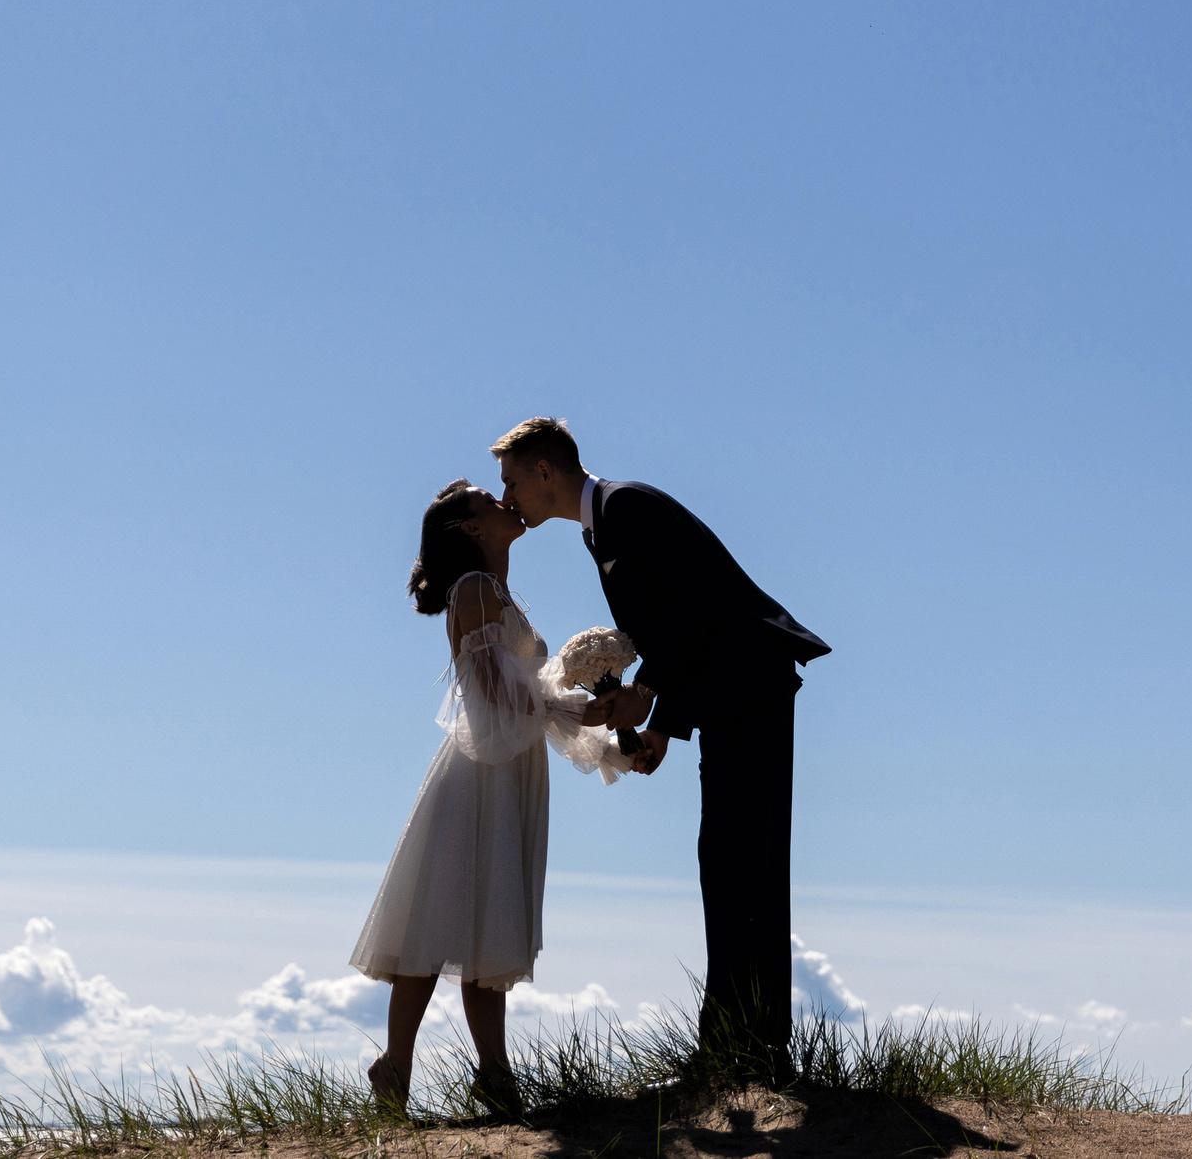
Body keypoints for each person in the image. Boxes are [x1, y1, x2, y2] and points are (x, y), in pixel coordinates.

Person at [491, 418, 830, 1076]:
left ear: (543, 472)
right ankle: (742, 1041)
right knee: (727, 858)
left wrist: (648, 694)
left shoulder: (627, 506)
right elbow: (680, 623)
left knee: (745, 858)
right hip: (728, 694)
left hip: (751, 686)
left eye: (511, 481)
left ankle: (749, 1046)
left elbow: (699, 608)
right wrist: (663, 723)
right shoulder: (601, 527)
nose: (508, 497)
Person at [348, 479, 624, 1113]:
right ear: (471, 528)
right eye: (487, 500)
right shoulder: (472, 591)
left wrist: (603, 739)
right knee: (443, 916)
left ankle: (490, 1073)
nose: (505, 503)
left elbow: (529, 698)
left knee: (487, 924)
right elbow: (498, 700)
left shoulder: (497, 592)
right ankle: (404, 1067)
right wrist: (582, 711)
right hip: (481, 771)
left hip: (513, 765)